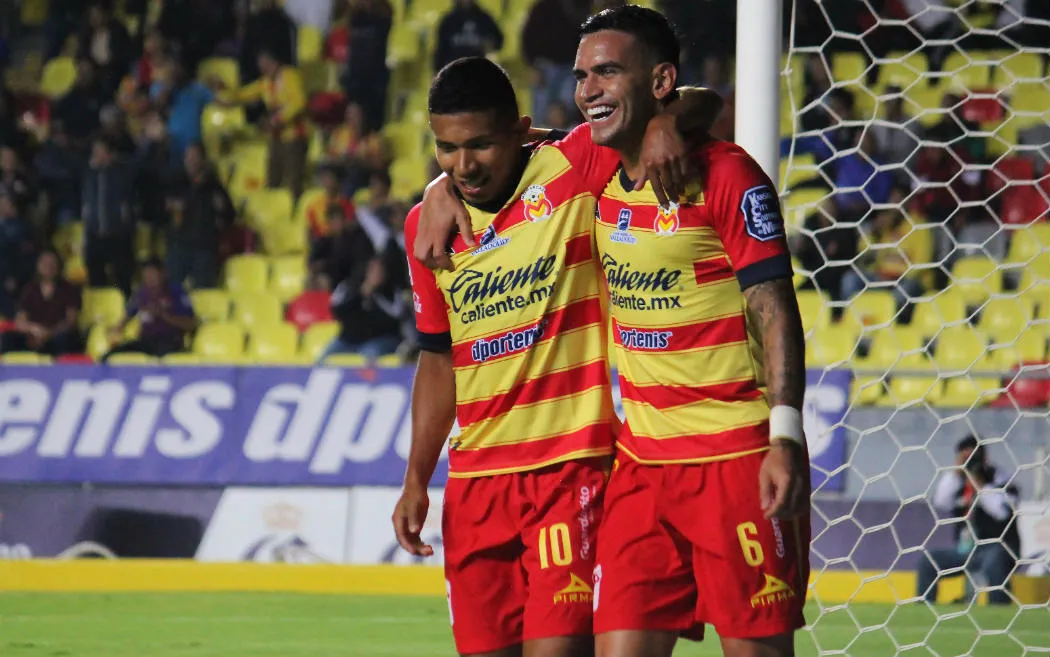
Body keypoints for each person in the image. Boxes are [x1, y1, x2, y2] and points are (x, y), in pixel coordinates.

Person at [414, 7, 810, 657]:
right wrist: (438, 183)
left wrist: (786, 433)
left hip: (734, 459)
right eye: (581, 75)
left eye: (606, 71)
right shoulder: (592, 176)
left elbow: (775, 306)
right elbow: (499, 149)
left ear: (658, 81)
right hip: (641, 466)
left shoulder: (726, 175)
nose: (588, 88)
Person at [393, 56, 720, 657]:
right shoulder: (428, 226)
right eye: (447, 150)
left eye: (481, 146)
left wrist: (661, 123)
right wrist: (416, 478)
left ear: (520, 131)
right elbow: (438, 359)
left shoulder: (571, 170)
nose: (464, 166)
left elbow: (703, 100)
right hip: (474, 489)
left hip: (569, 472)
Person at [917, 435, 1020, 605]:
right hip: (965, 550)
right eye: (965, 457)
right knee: (929, 560)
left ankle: (999, 613)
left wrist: (980, 484)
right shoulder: (957, 482)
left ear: (985, 457)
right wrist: (957, 473)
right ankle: (923, 610)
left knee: (994, 561)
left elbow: (1001, 512)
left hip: (997, 547)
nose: (970, 461)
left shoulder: (1001, 479)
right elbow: (940, 502)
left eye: (974, 457)